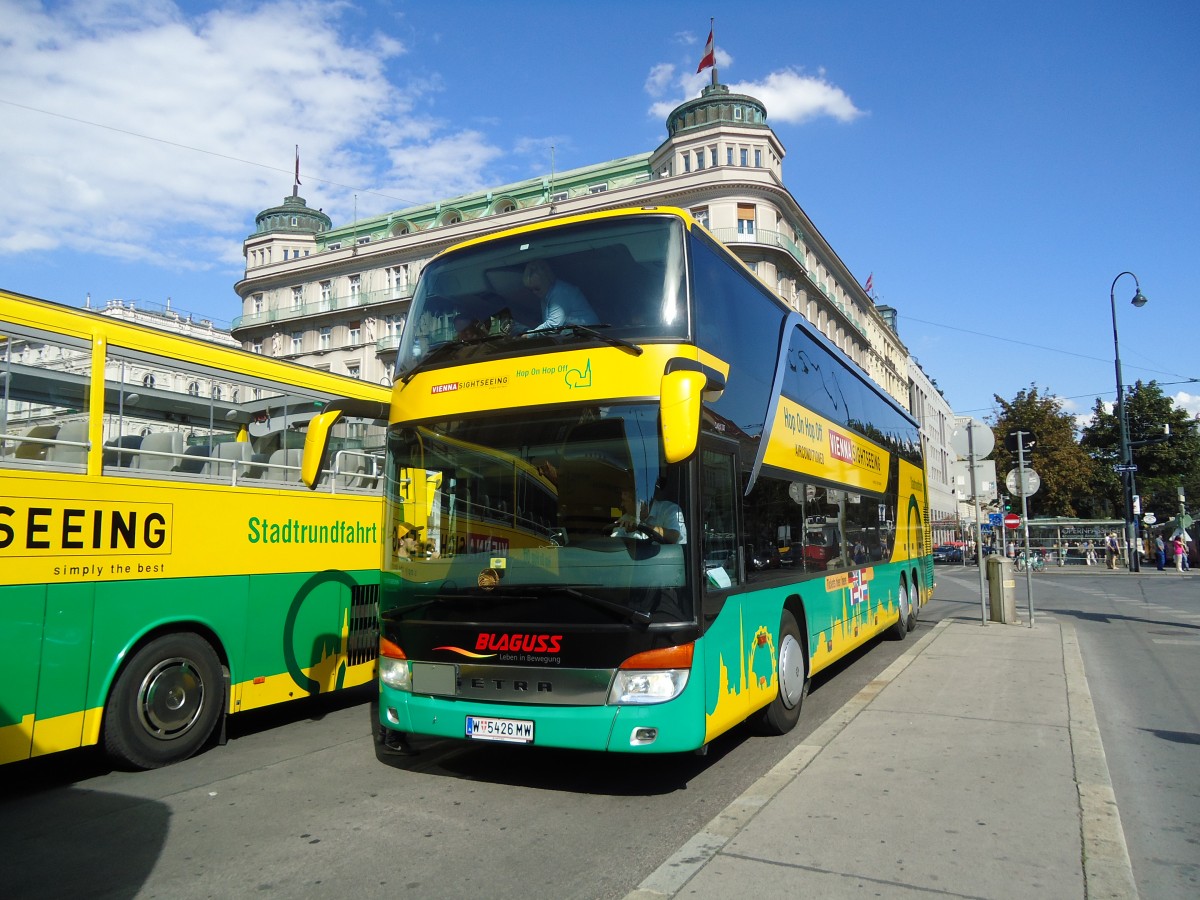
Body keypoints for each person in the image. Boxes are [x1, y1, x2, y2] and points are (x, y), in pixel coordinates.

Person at [521, 259, 599, 333]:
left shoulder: (560, 292)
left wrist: (530, 335)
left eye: (537, 288)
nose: (534, 292)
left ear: (547, 281)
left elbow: (554, 325)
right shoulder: (546, 295)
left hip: (591, 338)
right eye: (531, 290)